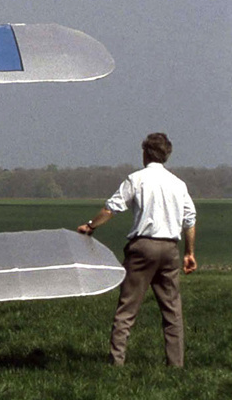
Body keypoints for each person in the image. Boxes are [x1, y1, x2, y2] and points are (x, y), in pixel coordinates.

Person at [78, 132, 197, 367]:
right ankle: (176, 364)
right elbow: (190, 220)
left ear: (145, 153)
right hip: (170, 249)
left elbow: (112, 209)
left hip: (142, 248)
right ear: (167, 155)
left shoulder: (136, 179)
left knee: (127, 307)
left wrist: (90, 226)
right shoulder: (178, 184)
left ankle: (117, 362)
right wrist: (189, 253)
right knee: (172, 311)